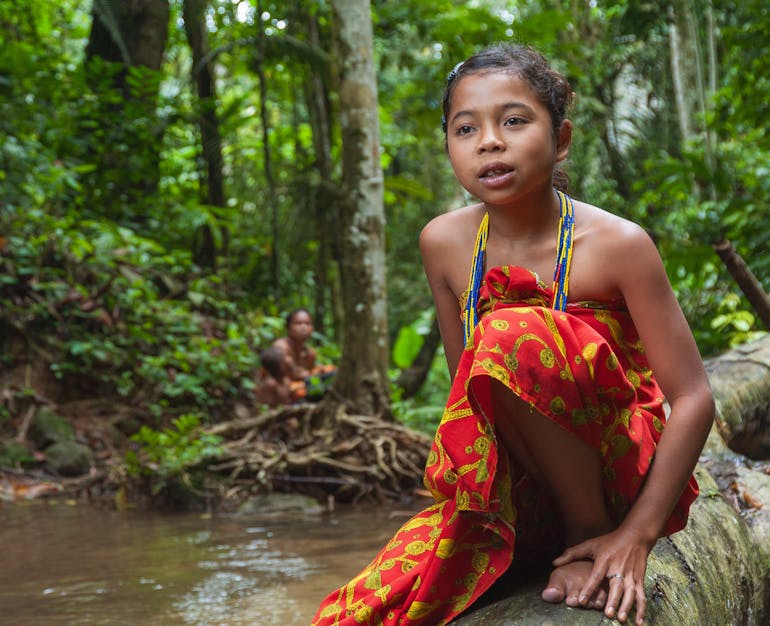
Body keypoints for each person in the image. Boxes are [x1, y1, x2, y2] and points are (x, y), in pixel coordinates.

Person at [312, 43, 715, 626]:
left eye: (514, 121)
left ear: (563, 140)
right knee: (363, 612)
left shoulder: (620, 245)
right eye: (465, 128)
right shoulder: (443, 244)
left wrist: (637, 535)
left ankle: (587, 529)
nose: (489, 141)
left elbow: (694, 395)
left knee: (509, 332)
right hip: (515, 478)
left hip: (618, 471)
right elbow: (466, 393)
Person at [273, 308, 336, 401]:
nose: (304, 327)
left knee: (331, 370)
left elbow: (310, 377)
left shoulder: (310, 353)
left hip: (303, 388)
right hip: (284, 393)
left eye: (308, 323)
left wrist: (317, 373)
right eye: (298, 323)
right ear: (289, 327)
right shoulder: (281, 347)